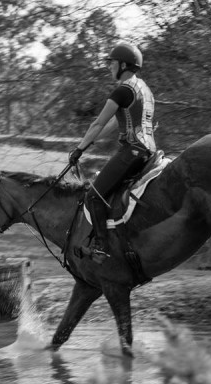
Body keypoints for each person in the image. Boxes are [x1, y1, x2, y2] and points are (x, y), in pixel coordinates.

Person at [68, 42, 157, 265]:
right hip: (149, 150)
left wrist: (79, 149)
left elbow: (98, 123)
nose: (109, 67)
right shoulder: (144, 89)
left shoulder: (123, 90)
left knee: (93, 196)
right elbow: (114, 125)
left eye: (112, 63)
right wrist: (92, 142)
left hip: (133, 150)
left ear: (124, 65)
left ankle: (102, 247)